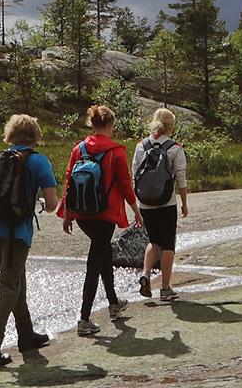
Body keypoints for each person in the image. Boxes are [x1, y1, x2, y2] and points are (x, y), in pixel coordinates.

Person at [0, 114, 60, 368]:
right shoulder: (38, 161)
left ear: (11, 134)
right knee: (9, 287)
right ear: (35, 135)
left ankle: (26, 335)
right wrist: (34, 202)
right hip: (18, 232)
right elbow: (51, 205)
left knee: (16, 281)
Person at [60, 105, 142, 337]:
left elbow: (69, 180)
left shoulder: (79, 148)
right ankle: (84, 319)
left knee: (104, 251)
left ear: (92, 124)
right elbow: (125, 186)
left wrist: (67, 214)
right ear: (110, 125)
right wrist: (136, 210)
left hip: (83, 214)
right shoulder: (116, 151)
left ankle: (114, 303)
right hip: (105, 214)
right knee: (94, 263)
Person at [135, 108, 188, 303]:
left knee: (153, 241)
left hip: (145, 203)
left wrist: (138, 202)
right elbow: (181, 177)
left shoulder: (141, 146)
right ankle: (165, 289)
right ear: (171, 127)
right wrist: (184, 203)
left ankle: (146, 273)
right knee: (168, 244)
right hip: (166, 202)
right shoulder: (175, 148)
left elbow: (135, 174)